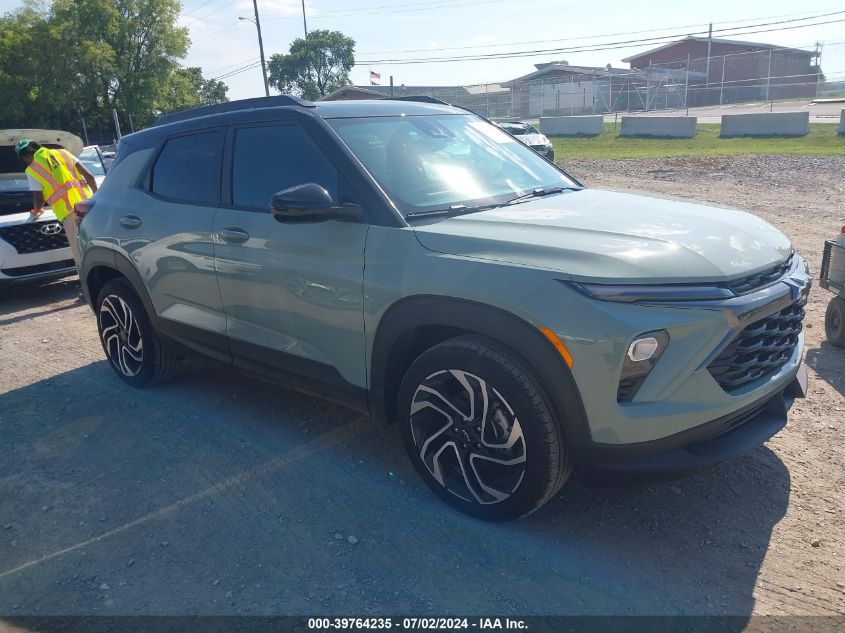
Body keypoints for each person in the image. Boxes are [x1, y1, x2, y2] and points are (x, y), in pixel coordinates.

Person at [14, 139, 98, 269]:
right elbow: (89, 176)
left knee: (80, 255)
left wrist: (36, 210)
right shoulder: (63, 153)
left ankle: (89, 285)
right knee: (98, 244)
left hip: (70, 212)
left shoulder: (32, 169)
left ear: (26, 156)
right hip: (89, 205)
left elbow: (38, 197)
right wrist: (97, 197)